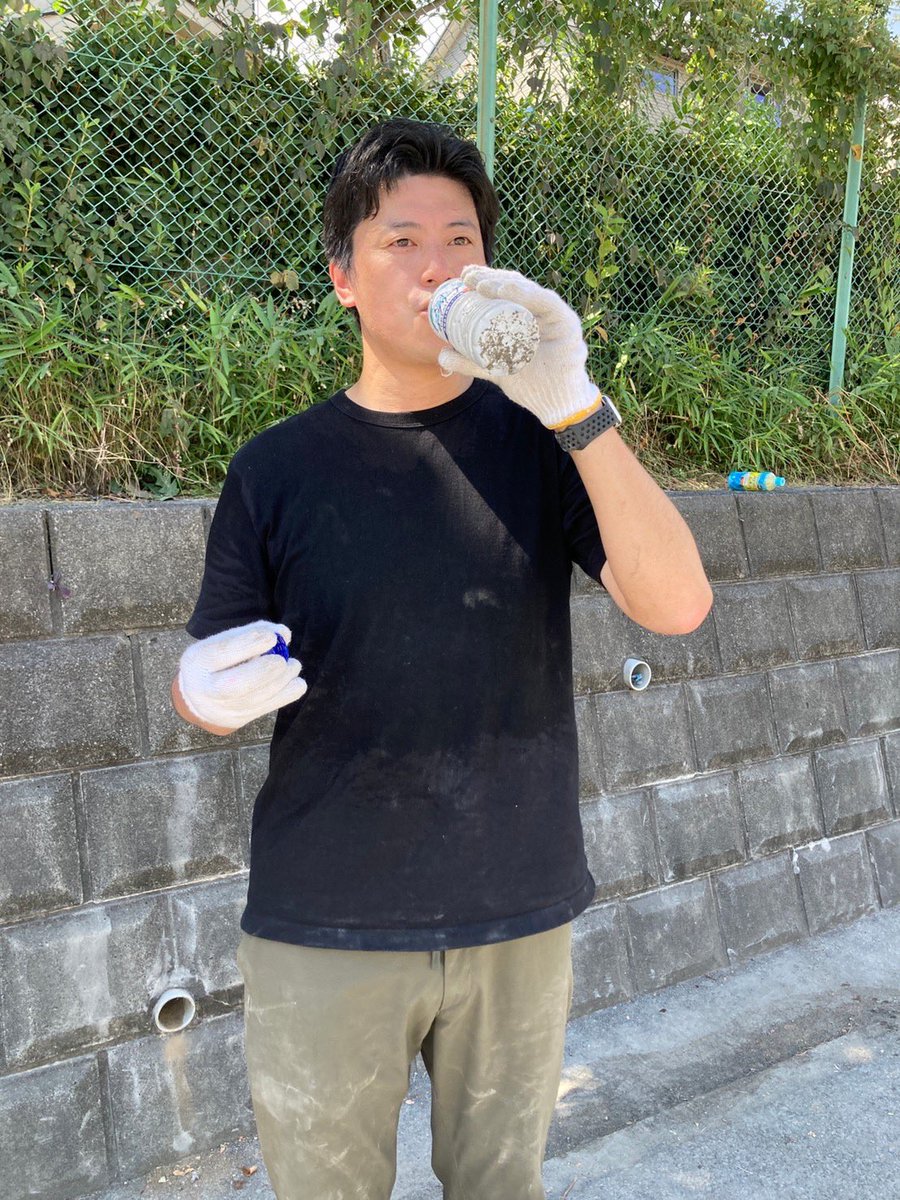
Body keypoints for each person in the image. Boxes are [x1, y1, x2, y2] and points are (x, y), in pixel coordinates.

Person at [172, 118, 712, 1200]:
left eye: (460, 241)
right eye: (401, 241)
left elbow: (678, 604)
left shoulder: (543, 442)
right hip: (324, 916)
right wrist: (202, 693)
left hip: (516, 905)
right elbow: (214, 665)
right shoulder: (274, 469)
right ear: (343, 278)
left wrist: (575, 405)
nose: (435, 268)